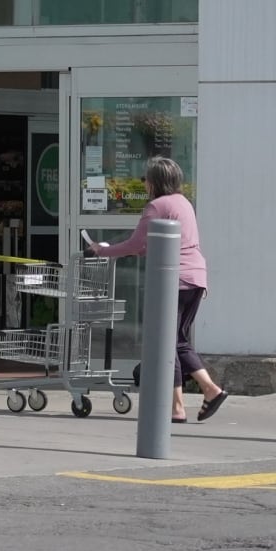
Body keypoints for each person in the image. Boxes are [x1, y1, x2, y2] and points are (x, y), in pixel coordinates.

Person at [88, 155, 228, 423]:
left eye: (146, 178)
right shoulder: (184, 203)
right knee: (179, 341)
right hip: (196, 278)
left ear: (153, 182)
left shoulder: (156, 206)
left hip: (173, 281)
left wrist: (100, 251)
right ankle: (210, 390)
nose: (144, 183)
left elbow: (134, 244)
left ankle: (178, 407)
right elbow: (152, 245)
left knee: (167, 344)